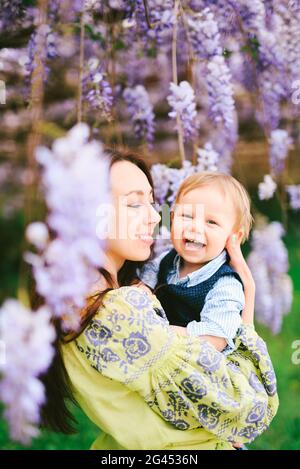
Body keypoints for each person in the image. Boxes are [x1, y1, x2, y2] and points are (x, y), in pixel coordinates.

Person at [42, 149, 278, 450]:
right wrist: (248, 314)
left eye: (152, 202)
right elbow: (249, 408)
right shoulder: (122, 309)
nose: (155, 216)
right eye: (135, 203)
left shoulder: (75, 300)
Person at [137, 172, 253, 355]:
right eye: (187, 216)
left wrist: (159, 332)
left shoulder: (225, 284)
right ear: (172, 218)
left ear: (233, 238)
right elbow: (144, 279)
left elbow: (216, 338)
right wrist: (140, 292)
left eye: (212, 222)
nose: (195, 227)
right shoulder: (167, 260)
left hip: (197, 370)